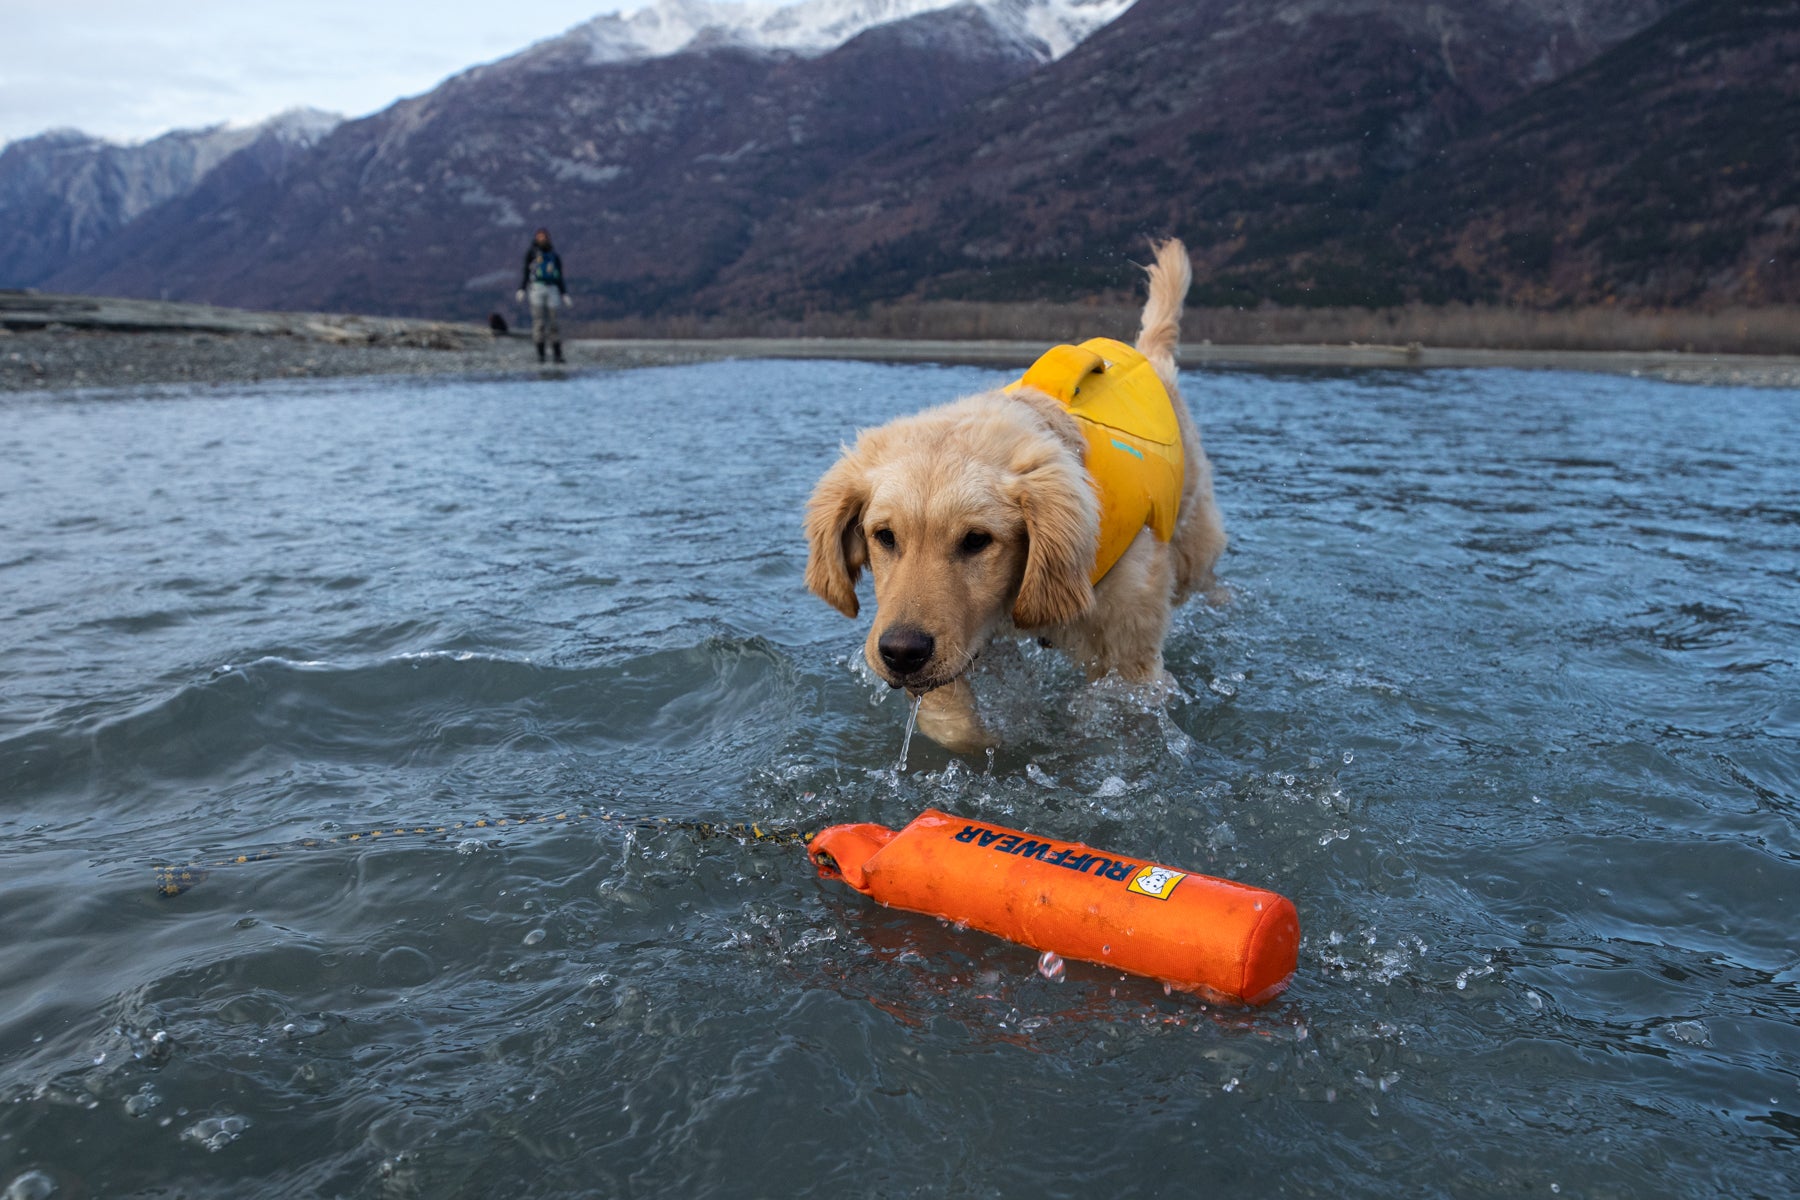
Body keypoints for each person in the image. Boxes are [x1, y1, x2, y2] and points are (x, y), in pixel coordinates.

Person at [515, 228, 571, 363]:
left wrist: (564, 293)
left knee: (554, 322)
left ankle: (557, 354)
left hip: (552, 288)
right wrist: (522, 288)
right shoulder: (532, 253)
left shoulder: (554, 255)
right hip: (536, 288)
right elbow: (525, 271)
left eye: (544, 236)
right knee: (538, 322)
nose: (542, 239)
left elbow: (559, 276)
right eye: (539, 236)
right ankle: (541, 355)